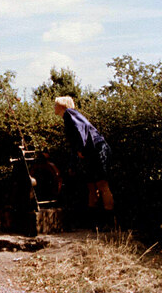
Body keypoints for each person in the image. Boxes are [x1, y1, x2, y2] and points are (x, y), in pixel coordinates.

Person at [54, 96, 114, 229]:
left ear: (62, 106)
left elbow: (81, 129)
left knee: (102, 185)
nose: (54, 107)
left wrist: (81, 150)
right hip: (91, 152)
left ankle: (108, 223)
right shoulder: (69, 117)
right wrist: (73, 162)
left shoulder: (70, 114)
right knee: (91, 186)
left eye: (55, 105)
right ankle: (95, 223)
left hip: (97, 150)